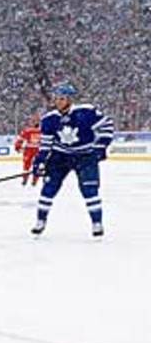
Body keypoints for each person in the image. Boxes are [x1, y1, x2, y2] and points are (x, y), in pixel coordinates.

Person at [31, 83, 114, 238]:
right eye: (56, 98)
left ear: (69, 99)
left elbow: (107, 126)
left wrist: (100, 147)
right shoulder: (49, 119)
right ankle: (40, 220)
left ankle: (97, 222)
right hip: (60, 156)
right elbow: (46, 144)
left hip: (85, 155)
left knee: (90, 190)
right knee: (48, 189)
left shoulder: (86, 112)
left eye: (62, 98)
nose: (58, 101)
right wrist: (40, 161)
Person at [13, 115, 42, 185]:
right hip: (31, 149)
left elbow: (20, 139)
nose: (35, 123)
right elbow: (21, 139)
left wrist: (18, 146)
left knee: (34, 164)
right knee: (28, 164)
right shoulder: (29, 130)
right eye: (34, 121)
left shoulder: (30, 130)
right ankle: (27, 178)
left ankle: (33, 179)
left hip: (35, 149)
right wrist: (18, 146)